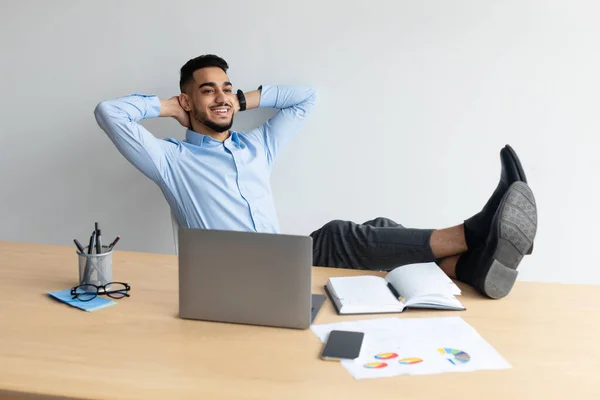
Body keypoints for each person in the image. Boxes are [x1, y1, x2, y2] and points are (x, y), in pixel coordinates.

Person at [94, 54, 537, 300]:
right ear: (188, 101)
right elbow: (109, 113)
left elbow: (304, 99)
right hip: (232, 282)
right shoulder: (170, 160)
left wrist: (239, 101)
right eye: (207, 90)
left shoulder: (255, 147)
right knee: (338, 236)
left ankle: (469, 266)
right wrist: (174, 107)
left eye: (226, 87)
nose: (222, 96)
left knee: (380, 230)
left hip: (277, 266)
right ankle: (477, 233)